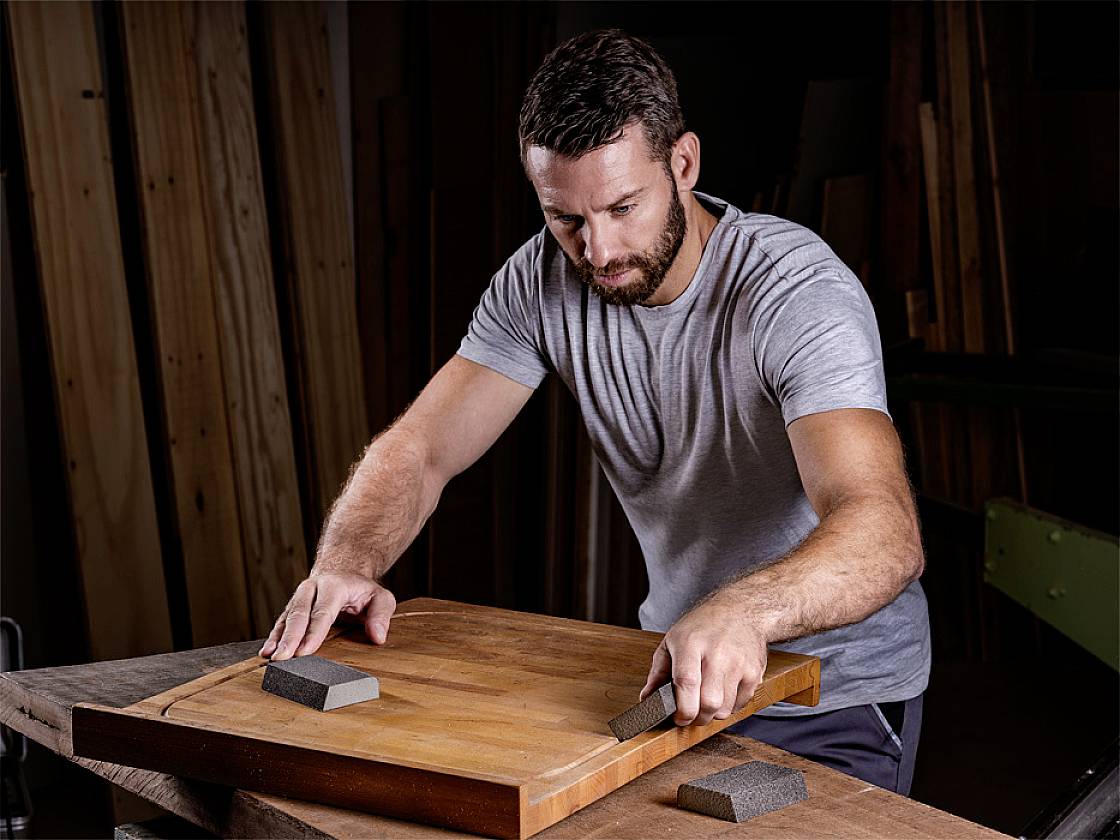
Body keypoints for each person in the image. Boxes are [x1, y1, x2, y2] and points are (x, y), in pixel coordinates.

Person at [260, 29, 931, 796]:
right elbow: (420, 449)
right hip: (676, 678)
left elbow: (883, 528)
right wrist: (346, 564)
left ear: (683, 163)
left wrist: (745, 609)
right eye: (565, 219)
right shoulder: (541, 282)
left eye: (622, 207)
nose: (598, 250)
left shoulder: (795, 293)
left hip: (834, 692)